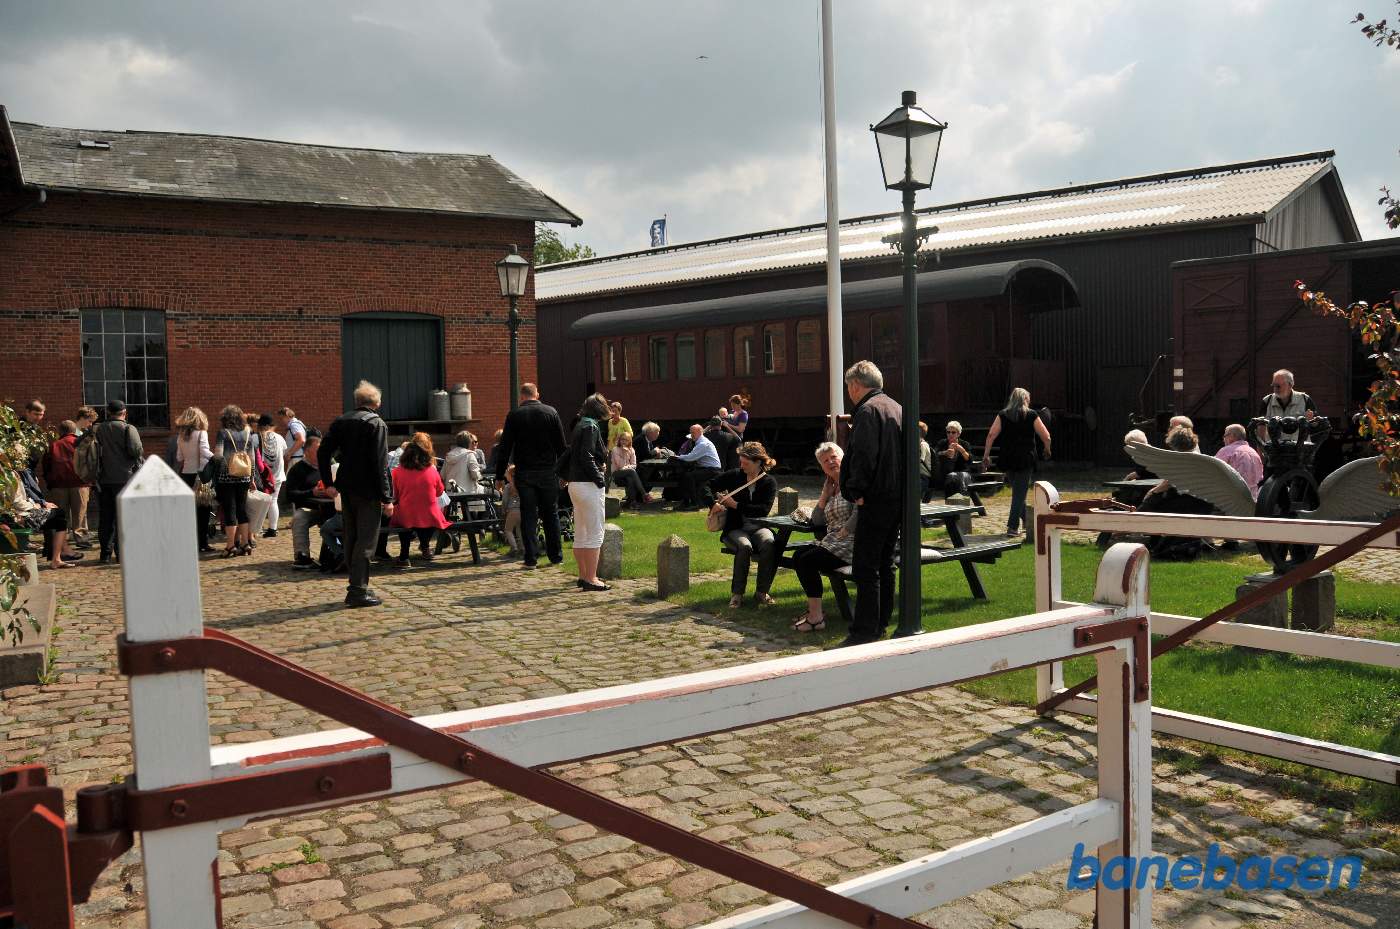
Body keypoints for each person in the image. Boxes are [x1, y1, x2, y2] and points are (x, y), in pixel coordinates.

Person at [838, 360, 903, 647]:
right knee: (885, 562)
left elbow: (864, 454)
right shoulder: (897, 407)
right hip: (896, 495)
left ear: (855, 385)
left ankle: (864, 630)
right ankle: (881, 623)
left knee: (866, 565)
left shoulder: (867, 410)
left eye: (847, 387)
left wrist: (856, 489)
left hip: (875, 496)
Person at [320, 380, 393, 607]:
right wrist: (387, 497)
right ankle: (358, 590)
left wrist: (327, 481)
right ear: (376, 403)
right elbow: (380, 464)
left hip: (346, 486)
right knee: (367, 539)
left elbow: (323, 451)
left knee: (351, 535)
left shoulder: (341, 421)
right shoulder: (376, 424)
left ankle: (356, 584)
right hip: (368, 490)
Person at [494, 383, 568, 569]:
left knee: (528, 515)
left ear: (522, 396)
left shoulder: (514, 415)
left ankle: (530, 558)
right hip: (548, 471)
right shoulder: (551, 412)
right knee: (551, 514)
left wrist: (499, 476)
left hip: (525, 472)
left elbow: (505, 447)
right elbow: (561, 446)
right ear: (537, 394)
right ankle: (556, 556)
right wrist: (564, 473)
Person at [789, 442, 857, 632]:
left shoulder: (852, 482)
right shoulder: (831, 486)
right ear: (822, 466)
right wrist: (824, 495)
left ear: (842, 458)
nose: (830, 462)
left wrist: (846, 530)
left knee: (808, 561)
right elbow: (817, 521)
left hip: (852, 543)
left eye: (834, 457)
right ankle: (814, 611)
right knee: (799, 555)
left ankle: (816, 618)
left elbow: (862, 510)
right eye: (825, 461)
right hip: (834, 542)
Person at [710, 442, 779, 609]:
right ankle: (737, 595)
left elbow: (762, 510)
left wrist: (736, 505)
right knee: (745, 546)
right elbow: (707, 485)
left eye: (745, 463)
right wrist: (712, 504)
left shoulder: (769, 482)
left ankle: (762, 592)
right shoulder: (735, 475)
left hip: (759, 526)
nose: (741, 466)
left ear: (758, 462)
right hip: (735, 528)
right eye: (741, 462)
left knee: (770, 543)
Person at [982, 387, 1051, 536]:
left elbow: (991, 435)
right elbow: (1046, 436)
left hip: (1008, 458)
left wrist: (986, 455)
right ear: (1025, 399)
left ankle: (1027, 521)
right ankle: (1012, 527)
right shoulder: (1032, 415)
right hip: (1025, 458)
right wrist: (1047, 449)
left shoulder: (1003, 415)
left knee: (1018, 491)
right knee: (1019, 494)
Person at [562, 393, 611, 591]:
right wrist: (599, 478)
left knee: (581, 532)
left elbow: (579, 453)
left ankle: (583, 576)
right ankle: (592, 578)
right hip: (588, 485)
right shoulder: (591, 426)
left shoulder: (581, 423)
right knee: (594, 532)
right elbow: (587, 456)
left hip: (575, 484)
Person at [93, 399, 144, 564]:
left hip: (104, 479)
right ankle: (122, 553)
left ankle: (105, 554)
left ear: (108, 412)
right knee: (125, 517)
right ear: (124, 412)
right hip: (125, 479)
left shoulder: (98, 429)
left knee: (106, 518)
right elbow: (136, 450)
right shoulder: (129, 428)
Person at [389, 432, 450, 565]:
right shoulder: (432, 470)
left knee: (403, 518)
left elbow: (395, 496)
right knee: (430, 516)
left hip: (406, 514)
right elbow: (440, 492)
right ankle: (426, 547)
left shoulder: (396, 472)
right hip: (430, 514)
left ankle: (404, 556)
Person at [213, 405, 260, 557]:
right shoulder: (248, 433)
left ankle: (230, 545)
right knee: (242, 509)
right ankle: (246, 543)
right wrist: (252, 478)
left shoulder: (223, 433)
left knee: (229, 511)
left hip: (227, 477)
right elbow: (252, 459)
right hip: (244, 477)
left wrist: (217, 473)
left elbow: (219, 456)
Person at [41, 421, 88, 553]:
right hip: (80, 483)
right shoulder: (81, 443)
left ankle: (62, 540)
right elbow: (90, 461)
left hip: (58, 485)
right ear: (74, 430)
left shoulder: (53, 445)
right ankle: (81, 538)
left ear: (60, 431)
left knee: (61, 516)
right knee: (80, 513)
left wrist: (49, 482)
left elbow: (46, 465)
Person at [172, 407, 214, 553]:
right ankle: (202, 543)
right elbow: (204, 452)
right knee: (203, 511)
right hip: (200, 475)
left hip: (185, 475)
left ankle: (189, 542)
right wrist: (216, 457)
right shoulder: (202, 433)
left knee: (188, 511)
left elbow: (179, 457)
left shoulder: (181, 435)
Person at [286, 428, 326, 567]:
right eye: (317, 450)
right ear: (307, 451)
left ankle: (340, 553)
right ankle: (302, 555)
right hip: (310, 508)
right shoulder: (297, 470)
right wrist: (311, 493)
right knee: (299, 518)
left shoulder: (329, 466)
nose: (321, 453)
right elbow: (290, 495)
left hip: (332, 508)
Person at [1257, 369, 1316, 442]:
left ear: (1290, 385)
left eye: (1278, 386)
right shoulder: (1266, 401)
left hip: (1299, 449)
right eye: (1274, 386)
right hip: (1274, 450)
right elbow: (1260, 427)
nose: (1275, 389)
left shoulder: (1305, 399)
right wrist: (1260, 449)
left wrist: (1311, 421)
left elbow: (1316, 427)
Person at [672, 424, 722, 509]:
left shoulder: (703, 444)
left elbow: (690, 457)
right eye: (691, 432)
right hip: (708, 469)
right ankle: (687, 502)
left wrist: (677, 457)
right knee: (685, 475)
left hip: (712, 470)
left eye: (693, 433)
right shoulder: (701, 442)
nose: (691, 435)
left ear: (700, 432)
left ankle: (694, 503)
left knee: (688, 476)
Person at [257, 414, 287, 538]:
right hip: (278, 475)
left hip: (263, 475)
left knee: (261, 502)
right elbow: (284, 451)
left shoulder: (258, 437)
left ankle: (257, 528)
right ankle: (273, 528)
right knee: (273, 501)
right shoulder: (279, 437)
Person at [1216, 423, 1263, 498]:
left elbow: (1215, 472)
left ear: (1232, 436)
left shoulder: (1226, 451)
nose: (1223, 438)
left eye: (1225, 435)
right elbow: (1260, 477)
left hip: (1232, 498)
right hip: (1252, 499)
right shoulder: (1254, 453)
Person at [935, 421, 973, 499]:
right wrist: (945, 452)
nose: (950, 434)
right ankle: (954, 502)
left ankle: (961, 502)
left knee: (957, 478)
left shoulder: (964, 444)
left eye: (953, 432)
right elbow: (935, 454)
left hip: (962, 472)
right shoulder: (942, 443)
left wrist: (961, 450)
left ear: (958, 434)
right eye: (948, 432)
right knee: (951, 477)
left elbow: (970, 459)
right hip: (945, 473)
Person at [610, 432, 650, 507]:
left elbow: (634, 465)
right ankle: (644, 494)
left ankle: (632, 502)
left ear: (629, 441)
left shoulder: (631, 450)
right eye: (622, 439)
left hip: (628, 473)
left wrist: (627, 467)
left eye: (626, 440)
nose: (624, 441)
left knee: (630, 478)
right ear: (619, 440)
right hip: (617, 473)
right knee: (631, 472)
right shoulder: (615, 449)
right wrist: (624, 453)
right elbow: (620, 465)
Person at [500, 464, 523, 554]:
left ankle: (514, 547)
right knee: (519, 530)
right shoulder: (522, 485)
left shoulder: (508, 487)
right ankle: (522, 547)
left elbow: (505, 500)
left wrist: (503, 510)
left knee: (508, 530)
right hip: (521, 510)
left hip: (512, 511)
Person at [918, 422, 934, 502]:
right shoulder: (919, 444)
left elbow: (921, 459)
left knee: (916, 498)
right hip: (920, 475)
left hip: (923, 476)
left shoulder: (923, 445)